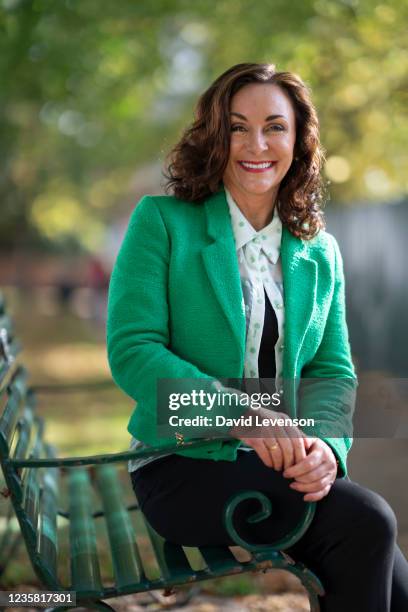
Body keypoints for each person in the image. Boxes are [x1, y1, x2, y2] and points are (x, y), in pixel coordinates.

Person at [107, 63, 408, 611]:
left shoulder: (320, 250)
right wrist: (241, 416)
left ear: (298, 140)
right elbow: (133, 352)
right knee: (367, 524)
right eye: (238, 127)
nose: (257, 144)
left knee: (391, 571)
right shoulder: (162, 222)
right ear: (214, 136)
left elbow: (332, 371)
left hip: (278, 460)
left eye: (275, 126)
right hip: (181, 464)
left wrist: (327, 449)